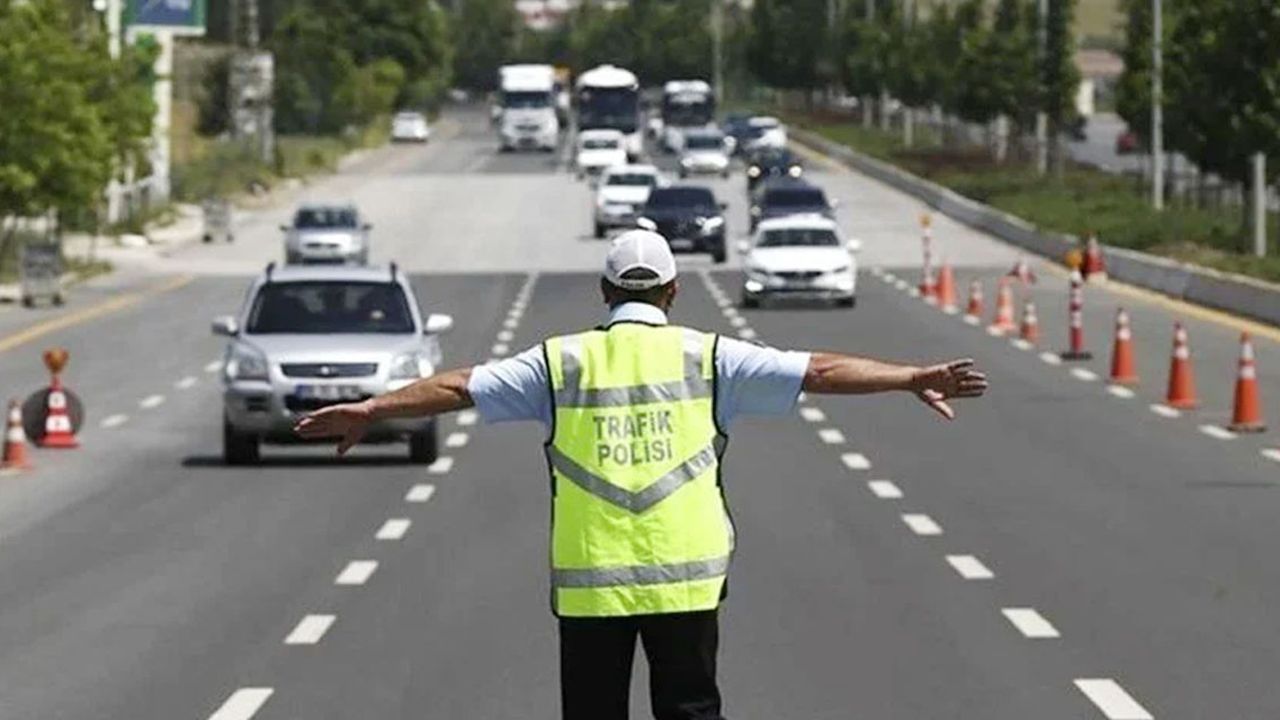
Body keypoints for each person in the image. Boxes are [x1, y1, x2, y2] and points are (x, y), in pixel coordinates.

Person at [295, 230, 988, 720]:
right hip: (687, 580)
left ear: (603, 291)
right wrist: (909, 377)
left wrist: (373, 408)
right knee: (691, 710)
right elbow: (820, 371)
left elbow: (456, 387)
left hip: (591, 587)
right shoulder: (711, 357)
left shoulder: (559, 363)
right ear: (674, 291)